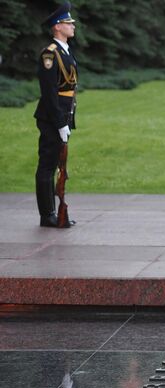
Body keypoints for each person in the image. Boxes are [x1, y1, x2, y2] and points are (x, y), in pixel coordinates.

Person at [34, 1, 77, 228]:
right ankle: (47, 214)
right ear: (57, 27)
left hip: (63, 116)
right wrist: (60, 123)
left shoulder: (65, 51)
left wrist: (67, 120)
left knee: (57, 165)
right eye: (68, 22)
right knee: (47, 166)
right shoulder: (49, 54)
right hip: (52, 118)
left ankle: (55, 212)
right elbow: (50, 93)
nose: (73, 25)